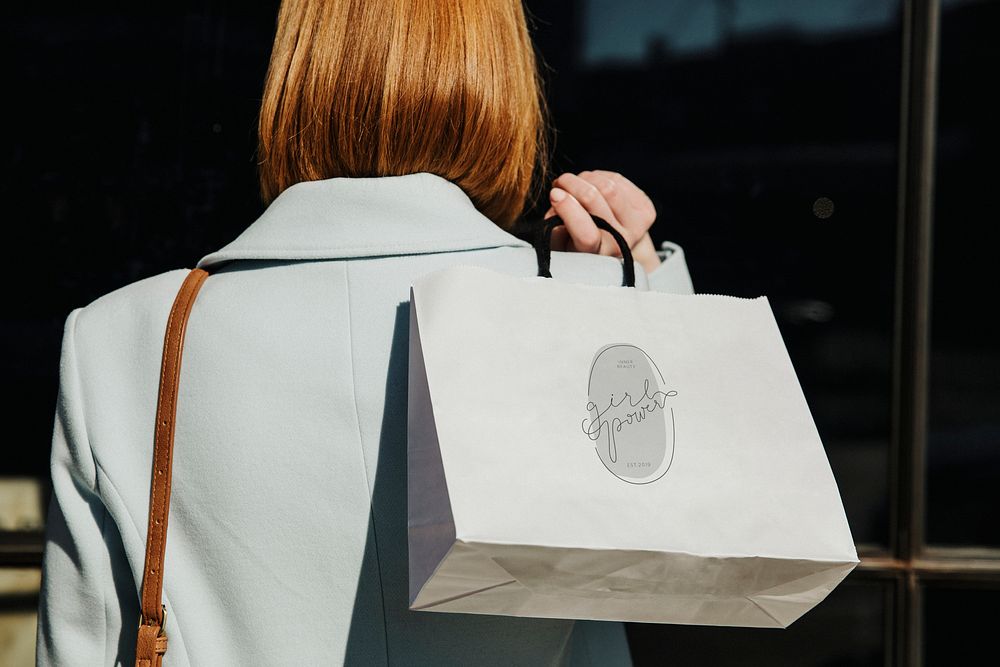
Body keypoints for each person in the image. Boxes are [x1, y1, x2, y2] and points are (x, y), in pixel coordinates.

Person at [35, 1, 694, 665]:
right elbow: (702, 547)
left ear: (295, 75)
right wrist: (641, 297)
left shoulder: (119, 343)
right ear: (502, 77)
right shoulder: (578, 321)